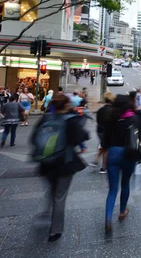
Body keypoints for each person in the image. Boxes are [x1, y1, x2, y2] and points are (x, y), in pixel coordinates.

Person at [31, 93, 89, 242]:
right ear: (66, 105)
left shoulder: (45, 118)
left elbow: (33, 139)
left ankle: (44, 213)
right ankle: (55, 230)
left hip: (46, 163)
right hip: (64, 163)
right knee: (60, 196)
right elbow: (82, 137)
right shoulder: (71, 121)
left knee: (52, 189)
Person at [103, 94, 141, 233]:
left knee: (112, 189)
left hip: (113, 153)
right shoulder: (135, 119)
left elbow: (104, 142)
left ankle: (108, 218)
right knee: (125, 184)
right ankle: (122, 211)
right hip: (129, 154)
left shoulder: (112, 119)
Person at [90, 92, 115, 174]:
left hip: (100, 130)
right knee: (106, 148)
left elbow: (98, 120)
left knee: (103, 146)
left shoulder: (101, 110)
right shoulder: (113, 110)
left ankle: (95, 161)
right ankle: (104, 167)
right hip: (108, 131)